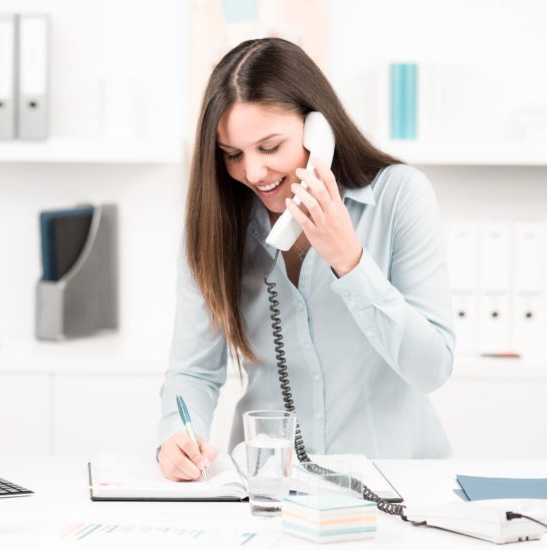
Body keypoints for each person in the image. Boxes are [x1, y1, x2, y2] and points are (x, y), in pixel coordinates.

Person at [157, 38, 455, 482]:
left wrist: (348, 260)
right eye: (233, 155)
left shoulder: (400, 197)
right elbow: (194, 371)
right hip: (269, 486)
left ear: (319, 130)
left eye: (270, 147)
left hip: (396, 485)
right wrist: (177, 435)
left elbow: (431, 368)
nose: (254, 173)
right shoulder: (215, 226)